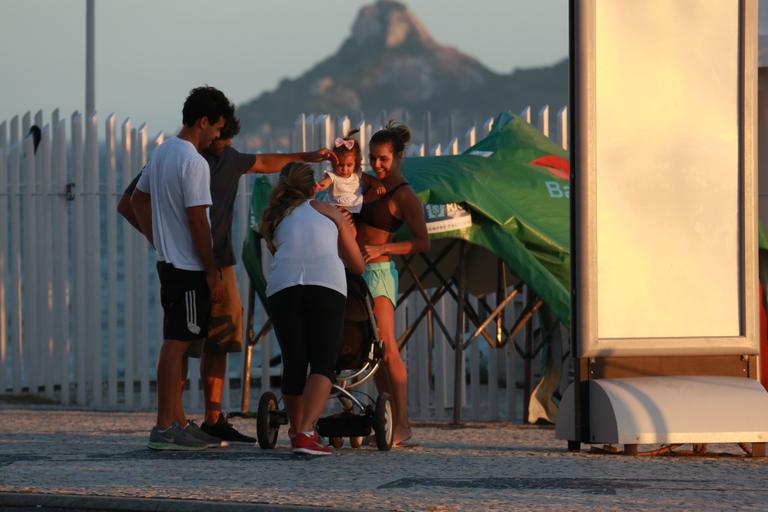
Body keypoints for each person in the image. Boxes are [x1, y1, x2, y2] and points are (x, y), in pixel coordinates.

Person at [118, 116, 338, 445]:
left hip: (221, 263)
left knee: (220, 339)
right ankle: (174, 420)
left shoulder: (229, 160)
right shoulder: (181, 160)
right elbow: (129, 203)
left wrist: (307, 156)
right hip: (192, 264)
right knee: (182, 342)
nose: (228, 142)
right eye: (223, 136)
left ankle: (213, 418)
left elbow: (265, 161)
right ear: (209, 130)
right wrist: (160, 241)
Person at [130, 85, 232, 450]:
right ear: (203, 122)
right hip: (188, 268)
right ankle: (163, 427)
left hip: (169, 263)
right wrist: (211, 271)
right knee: (177, 344)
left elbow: (136, 200)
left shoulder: (162, 153)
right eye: (218, 128)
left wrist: (157, 239)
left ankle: (175, 420)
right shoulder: (193, 161)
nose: (218, 135)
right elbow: (198, 221)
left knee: (177, 339)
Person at [260, 163, 364, 455]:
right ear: (311, 187)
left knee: (294, 360)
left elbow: (281, 253)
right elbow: (357, 265)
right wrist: (346, 234)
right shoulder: (330, 211)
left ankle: (297, 432)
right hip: (325, 285)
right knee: (322, 363)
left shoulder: (274, 218)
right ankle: (306, 432)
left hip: (283, 288)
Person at [356, 121, 429, 447]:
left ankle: (403, 424)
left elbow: (422, 242)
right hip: (355, 271)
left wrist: (383, 247)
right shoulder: (369, 185)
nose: (377, 165)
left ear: (398, 157)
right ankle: (383, 422)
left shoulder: (405, 196)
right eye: (372, 158)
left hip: (380, 273)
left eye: (384, 158)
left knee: (387, 348)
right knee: (369, 351)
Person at [314, 131, 385, 216]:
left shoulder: (357, 174)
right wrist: (319, 186)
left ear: (356, 163)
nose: (344, 169)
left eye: (349, 165)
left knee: (370, 199)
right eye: (340, 165)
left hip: (354, 204)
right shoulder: (333, 175)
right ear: (333, 162)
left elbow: (370, 179)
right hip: (335, 207)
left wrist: (378, 185)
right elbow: (326, 182)